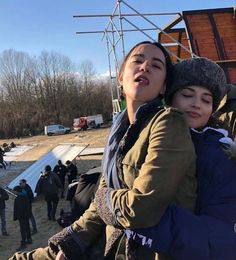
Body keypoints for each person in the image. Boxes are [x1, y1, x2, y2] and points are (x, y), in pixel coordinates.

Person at [9, 41, 197, 260]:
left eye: (156, 66)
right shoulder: (117, 135)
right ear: (120, 77)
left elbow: (143, 207)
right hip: (113, 247)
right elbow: (99, 209)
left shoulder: (168, 122)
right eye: (137, 60)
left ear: (164, 86)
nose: (145, 66)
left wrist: (103, 198)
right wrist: (69, 245)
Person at [125, 58, 236, 259]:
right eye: (187, 95)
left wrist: (132, 219)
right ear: (170, 98)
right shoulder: (146, 135)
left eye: (206, 100)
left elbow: (219, 237)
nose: (196, 105)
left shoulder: (218, 154)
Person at [13, 185, 32, 251]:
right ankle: (29, 239)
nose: (14, 192)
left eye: (14, 191)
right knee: (27, 227)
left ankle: (23, 244)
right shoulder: (24, 197)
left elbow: (18, 209)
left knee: (23, 230)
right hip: (26, 216)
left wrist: (18, 217)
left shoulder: (19, 199)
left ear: (17, 191)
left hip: (22, 217)